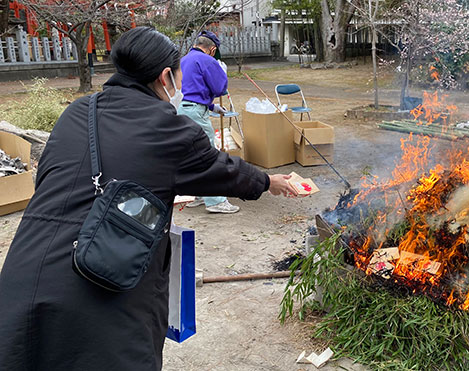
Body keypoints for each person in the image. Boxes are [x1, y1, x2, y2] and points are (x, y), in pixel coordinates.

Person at [0, 27, 297, 370]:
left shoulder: (77, 112)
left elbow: (50, 179)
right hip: (101, 291)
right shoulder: (168, 129)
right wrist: (268, 181)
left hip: (25, 275)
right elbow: (225, 171)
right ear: (165, 77)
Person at [177, 30, 238, 214]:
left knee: (191, 155)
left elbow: (192, 89)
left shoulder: (184, 59)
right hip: (196, 111)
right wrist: (221, 71)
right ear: (212, 49)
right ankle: (216, 200)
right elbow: (220, 88)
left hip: (184, 109)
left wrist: (212, 107)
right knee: (208, 154)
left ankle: (197, 194)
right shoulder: (208, 60)